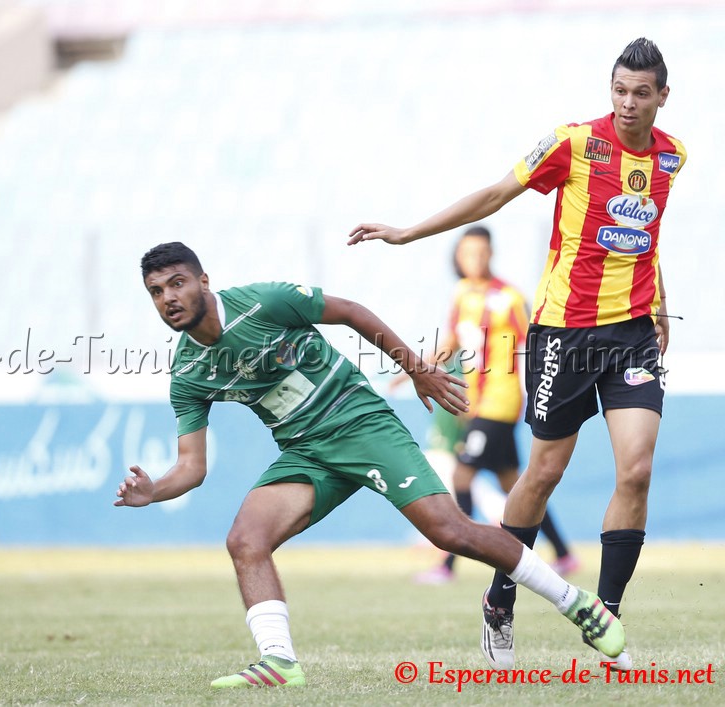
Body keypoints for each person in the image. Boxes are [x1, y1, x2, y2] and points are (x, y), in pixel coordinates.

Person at [115, 241, 624, 688]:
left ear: (203, 281)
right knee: (246, 540)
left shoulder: (262, 301)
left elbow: (351, 312)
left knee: (448, 531)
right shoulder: (189, 372)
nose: (168, 298)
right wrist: (154, 490)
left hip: (361, 423)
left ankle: (575, 602)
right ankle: (279, 662)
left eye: (177, 283)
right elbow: (192, 466)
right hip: (307, 453)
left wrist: (416, 369)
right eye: (156, 292)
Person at [348, 38, 683, 672]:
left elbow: (646, 236)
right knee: (543, 472)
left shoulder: (671, 156)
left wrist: (661, 302)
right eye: (619, 90)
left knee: (637, 471)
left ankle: (606, 616)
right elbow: (496, 194)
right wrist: (409, 232)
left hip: (634, 335)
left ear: (663, 96)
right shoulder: (573, 143)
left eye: (641, 93)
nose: (628, 103)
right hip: (565, 335)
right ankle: (501, 596)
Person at [414, 225, 579, 585]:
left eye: (480, 252)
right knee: (515, 486)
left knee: (462, 476)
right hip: (476, 404)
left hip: (499, 403)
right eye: (467, 253)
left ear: (491, 253)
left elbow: (535, 342)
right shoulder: (461, 293)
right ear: (458, 257)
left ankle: (448, 565)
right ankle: (564, 554)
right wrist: (417, 368)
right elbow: (453, 341)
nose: (474, 259)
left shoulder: (508, 298)